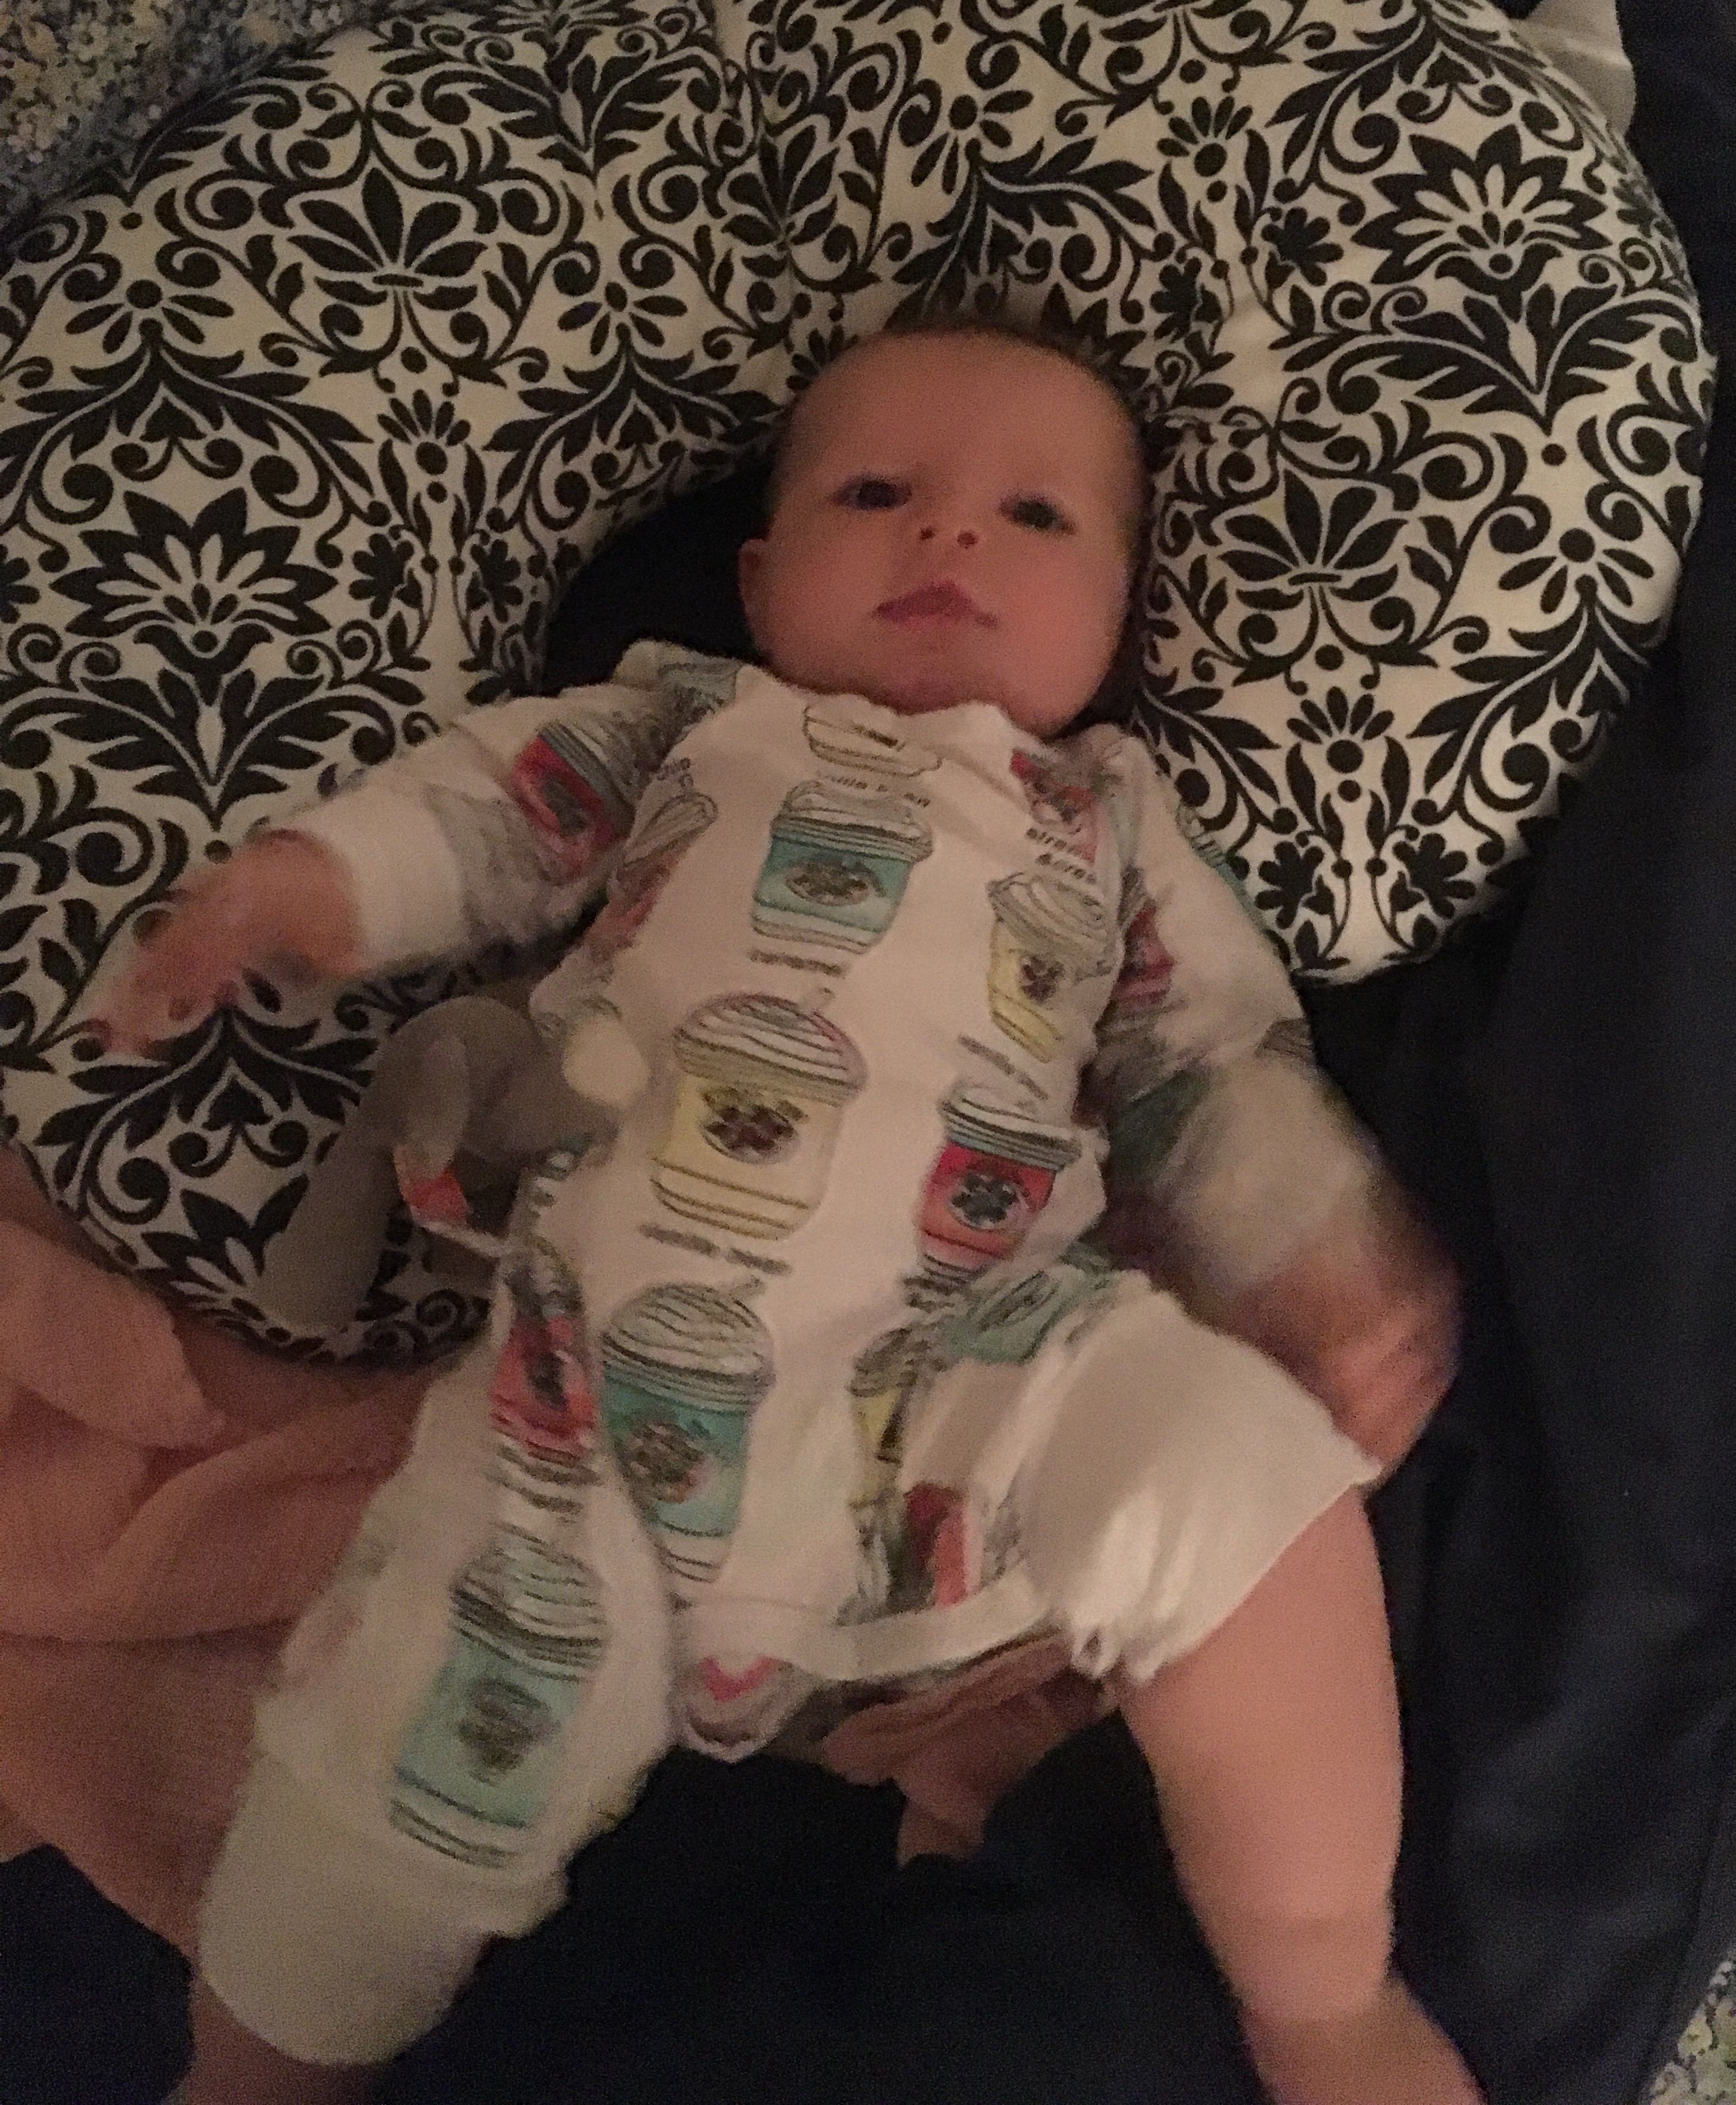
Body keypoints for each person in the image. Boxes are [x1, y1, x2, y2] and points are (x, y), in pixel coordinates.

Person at [104, 321, 1479, 2105]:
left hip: (957, 1366)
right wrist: (315, 881)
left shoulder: (1106, 818)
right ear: (761, 581)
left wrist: (1312, 1248)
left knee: (1249, 1479)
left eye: (1036, 517)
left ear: (1118, 617)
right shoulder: (682, 720)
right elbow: (485, 811)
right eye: (876, 492)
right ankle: (249, 2076)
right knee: (383, 1766)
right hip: (581, 1411)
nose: (950, 535)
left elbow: (1210, 1059)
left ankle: (1320, 1988)